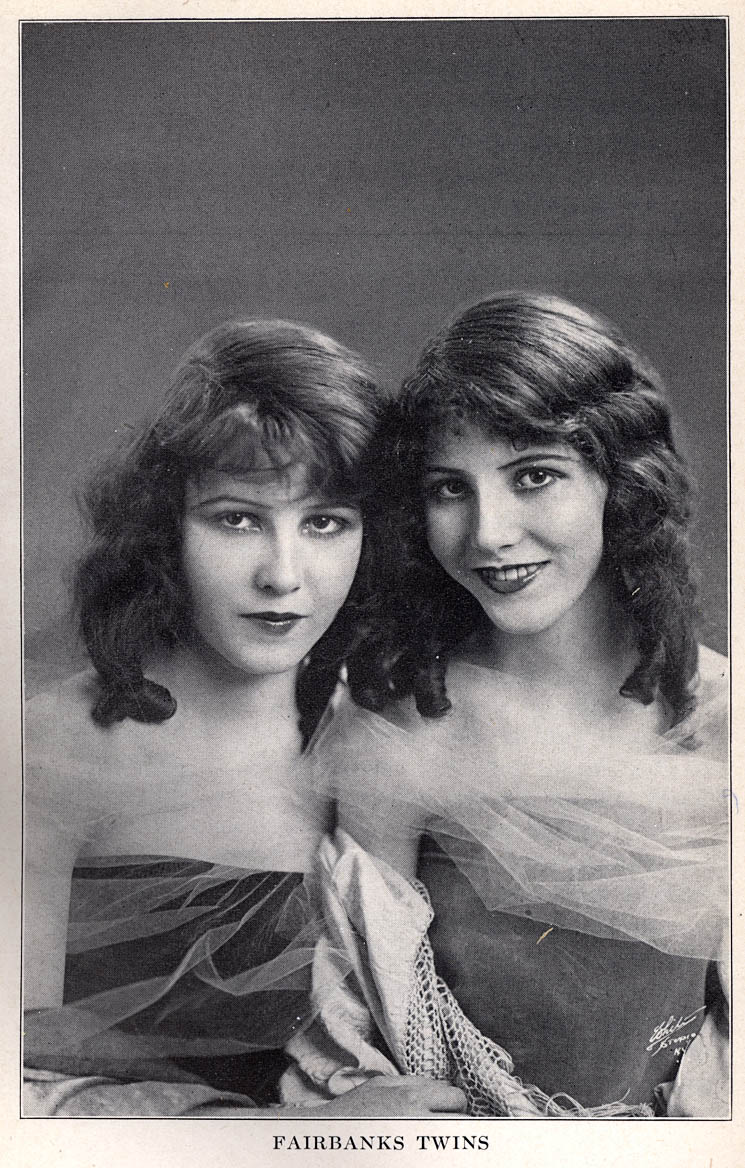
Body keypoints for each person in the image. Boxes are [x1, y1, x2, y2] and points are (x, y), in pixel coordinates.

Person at [290, 294, 729, 1117]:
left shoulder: (722, 718)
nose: (488, 532)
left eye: (533, 475)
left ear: (619, 481)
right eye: (448, 489)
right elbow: (364, 1021)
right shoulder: (399, 727)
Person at [23, 318, 467, 1120]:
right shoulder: (50, 745)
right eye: (236, 519)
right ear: (164, 528)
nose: (283, 575)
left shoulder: (382, 735)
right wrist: (285, 1137)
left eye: (325, 522)